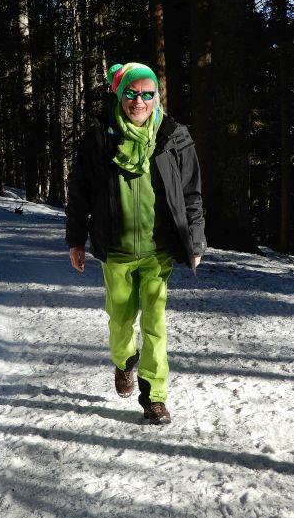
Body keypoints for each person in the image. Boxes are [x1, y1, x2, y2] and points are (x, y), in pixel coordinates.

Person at [65, 61, 206, 425]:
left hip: (159, 251)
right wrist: (75, 239)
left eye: (147, 94)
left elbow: (191, 193)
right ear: (120, 93)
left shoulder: (175, 136)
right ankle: (124, 362)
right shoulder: (99, 137)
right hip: (116, 250)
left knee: (156, 324)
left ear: (157, 97)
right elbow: (79, 192)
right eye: (131, 92)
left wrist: (195, 240)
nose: (138, 100)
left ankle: (155, 396)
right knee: (120, 321)